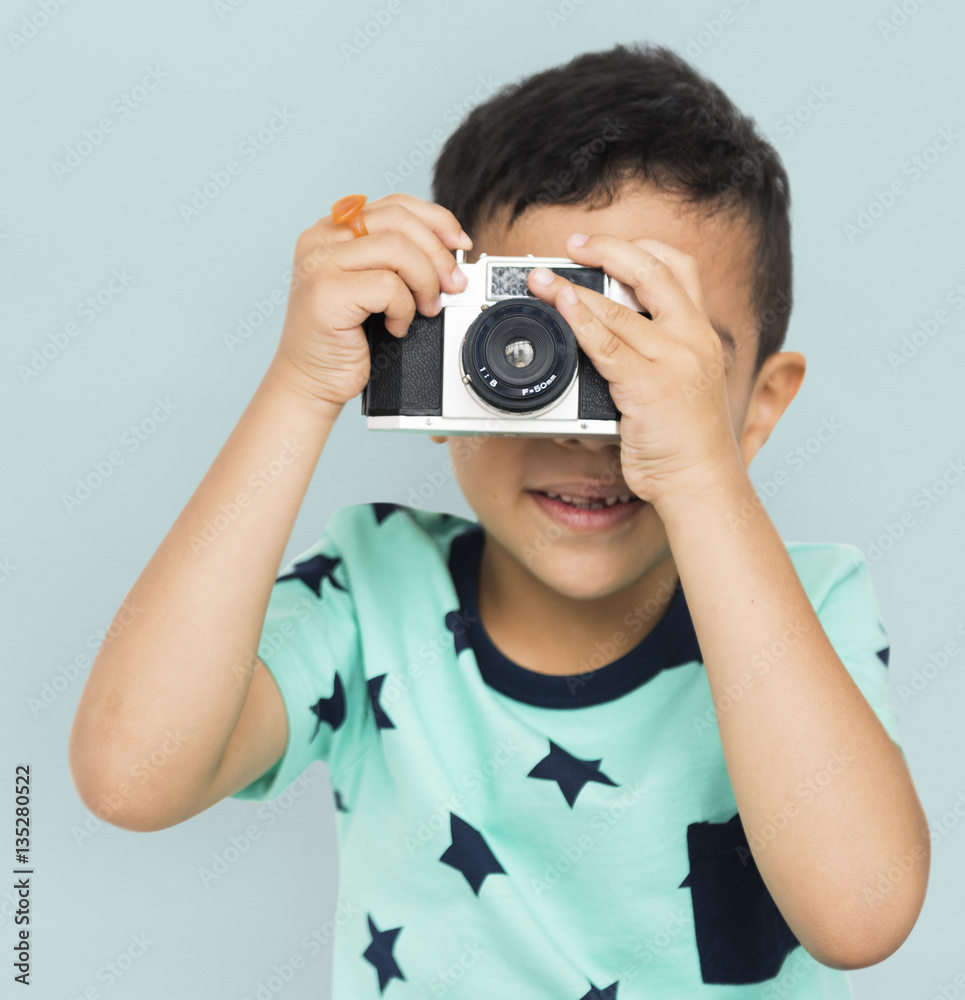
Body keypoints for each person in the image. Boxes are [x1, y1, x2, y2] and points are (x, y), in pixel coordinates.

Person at [68, 42, 928, 998]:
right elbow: (131, 776)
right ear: (438, 363)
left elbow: (860, 912)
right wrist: (302, 384)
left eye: (648, 360)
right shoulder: (372, 593)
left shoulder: (804, 607)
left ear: (757, 409)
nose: (591, 431)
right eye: (533, 351)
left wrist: (698, 472)